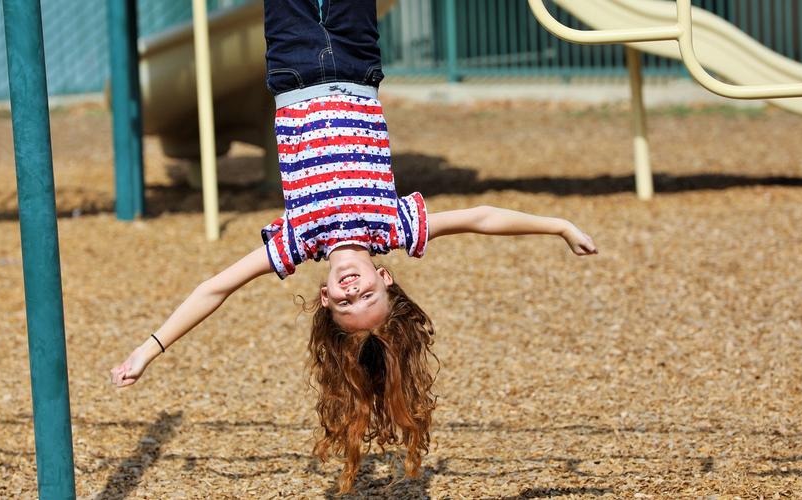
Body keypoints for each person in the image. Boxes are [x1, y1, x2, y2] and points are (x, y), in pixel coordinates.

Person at [111, 0, 598, 493]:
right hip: (357, 60)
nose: (352, 291)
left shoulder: (297, 240)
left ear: (324, 297)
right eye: (367, 295)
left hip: (294, 66)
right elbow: (481, 218)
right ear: (385, 278)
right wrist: (557, 225)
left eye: (345, 303)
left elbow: (215, 289)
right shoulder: (394, 227)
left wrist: (148, 350)